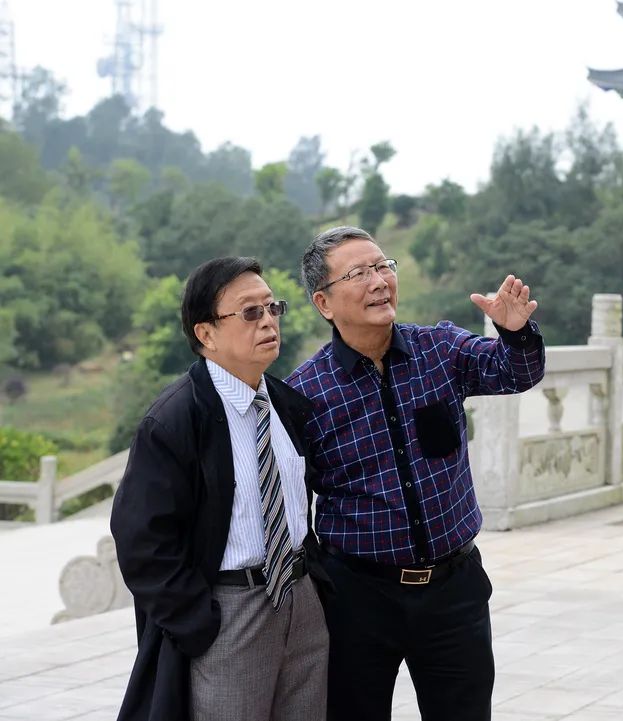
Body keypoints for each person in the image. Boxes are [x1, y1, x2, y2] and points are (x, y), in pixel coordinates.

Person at [287, 226, 545, 721]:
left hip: (453, 590)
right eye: (359, 273)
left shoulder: (439, 350)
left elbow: (515, 373)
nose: (378, 281)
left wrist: (515, 333)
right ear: (324, 302)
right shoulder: (306, 393)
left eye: (383, 266)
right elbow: (295, 504)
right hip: (359, 598)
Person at [111, 257, 330, 721]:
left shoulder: (286, 405)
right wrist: (198, 622)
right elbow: (141, 541)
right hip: (230, 611)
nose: (268, 321)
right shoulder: (175, 419)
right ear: (206, 333)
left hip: (300, 601)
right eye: (250, 312)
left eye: (273, 308)